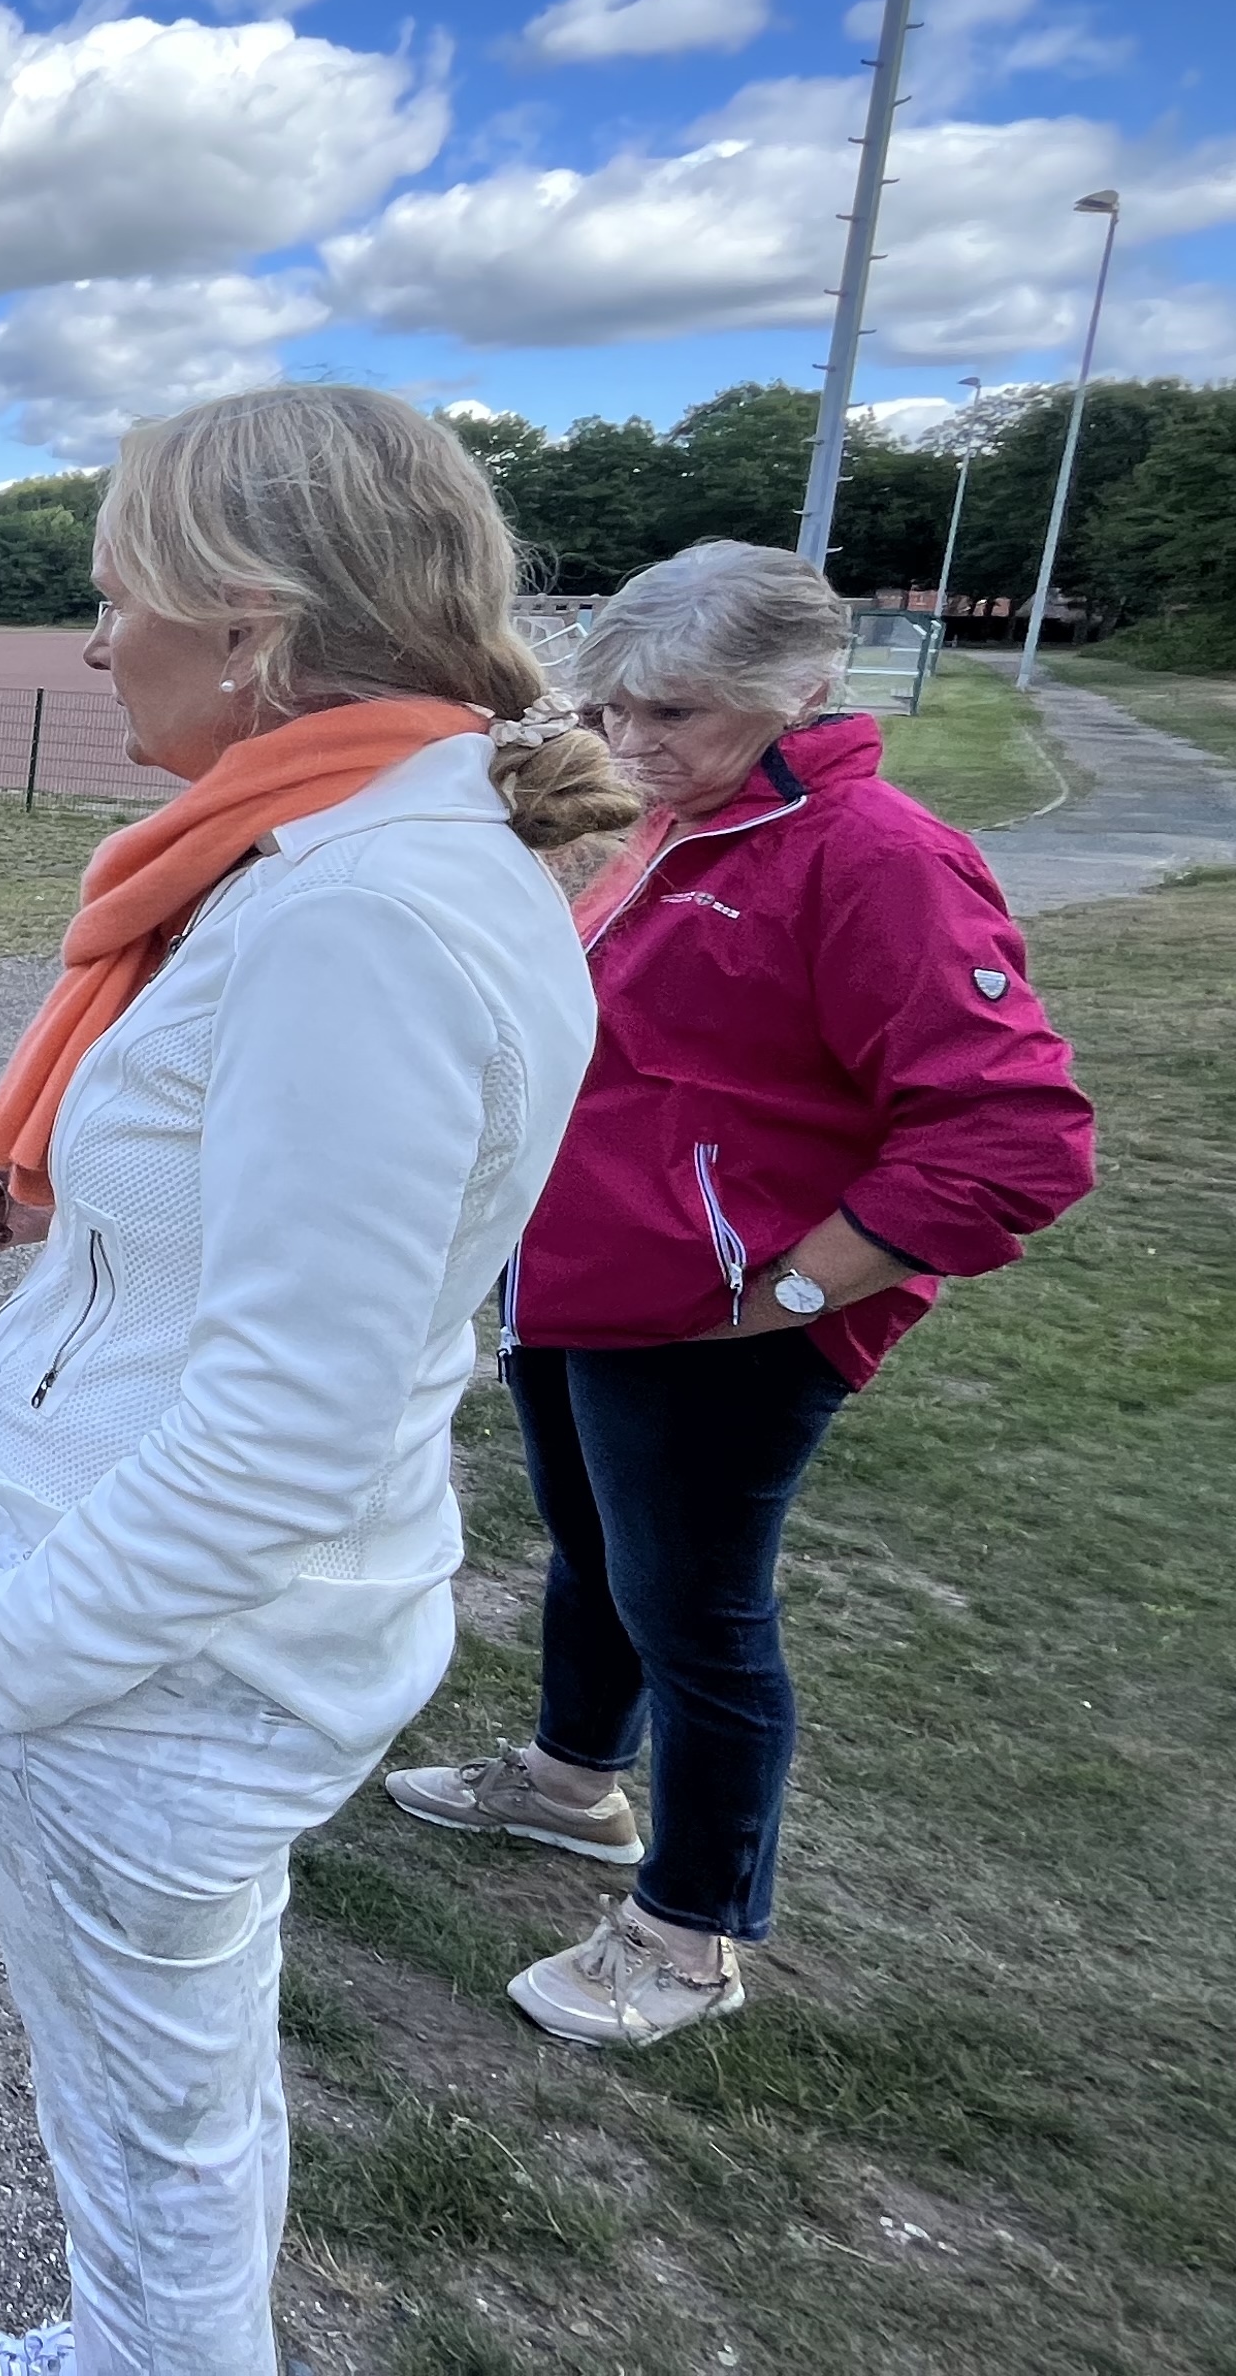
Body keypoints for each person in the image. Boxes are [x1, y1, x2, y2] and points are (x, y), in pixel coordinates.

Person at [0, 387, 636, 2376]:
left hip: (170, 1667)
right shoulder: (368, 853)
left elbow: (288, 1416)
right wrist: (67, 1219)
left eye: (114, 596)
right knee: (167, 2103)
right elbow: (279, 1244)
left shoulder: (354, 910)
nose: (92, 640)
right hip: (218, 1631)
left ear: (250, 621)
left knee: (148, 2122)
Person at [383, 541, 1093, 2049]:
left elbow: (1014, 1141)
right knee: (596, 1554)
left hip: (720, 1326)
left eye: (676, 716)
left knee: (699, 1612)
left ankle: (691, 1931)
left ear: (799, 694)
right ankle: (574, 1780)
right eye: (613, 708)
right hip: (585, 1282)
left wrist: (775, 1290)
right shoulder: (666, 821)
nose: (632, 744)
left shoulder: (876, 857)